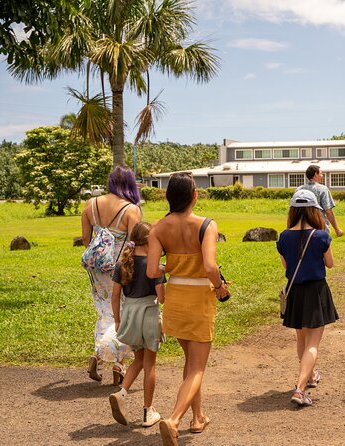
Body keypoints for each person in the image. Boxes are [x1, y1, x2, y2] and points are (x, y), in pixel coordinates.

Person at [147, 172, 230, 446]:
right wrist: (219, 286)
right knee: (197, 368)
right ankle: (174, 419)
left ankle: (198, 417)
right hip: (198, 298)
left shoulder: (157, 228)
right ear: (194, 195)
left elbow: (151, 270)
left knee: (191, 363)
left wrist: (173, 265)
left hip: (175, 298)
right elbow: (209, 267)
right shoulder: (207, 225)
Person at [276, 189, 338, 407]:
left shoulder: (283, 236)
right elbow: (329, 264)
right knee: (313, 343)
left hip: (295, 292)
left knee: (301, 339)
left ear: (293, 211)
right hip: (316, 291)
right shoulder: (321, 236)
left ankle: (310, 376)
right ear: (314, 211)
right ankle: (300, 388)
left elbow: (286, 265)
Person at [81, 166, 142, 385]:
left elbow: (86, 239)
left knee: (104, 310)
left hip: (97, 268)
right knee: (123, 313)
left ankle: (105, 361)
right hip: (121, 267)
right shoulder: (131, 210)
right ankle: (109, 359)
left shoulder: (91, 205)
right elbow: (135, 245)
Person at [109, 221, 166, 427]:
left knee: (139, 360)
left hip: (129, 315)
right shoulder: (154, 266)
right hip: (148, 314)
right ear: (151, 241)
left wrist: (117, 320)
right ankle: (147, 412)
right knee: (150, 364)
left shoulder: (123, 263)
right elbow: (162, 298)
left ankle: (122, 393)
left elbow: (115, 296)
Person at [297, 165, 344, 237]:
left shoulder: (299, 190)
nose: (322, 175)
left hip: (302, 228)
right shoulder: (322, 189)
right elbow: (328, 212)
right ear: (316, 174)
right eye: (321, 173)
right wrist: (337, 229)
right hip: (320, 228)